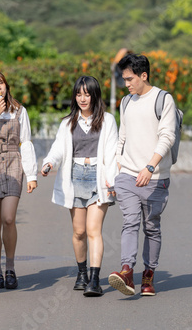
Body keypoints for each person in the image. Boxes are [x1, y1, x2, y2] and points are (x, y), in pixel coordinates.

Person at [41, 76, 118, 297]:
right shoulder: (68, 123)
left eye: (87, 94)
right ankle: (81, 273)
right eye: (79, 94)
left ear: (95, 95)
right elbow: (58, 148)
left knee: (94, 230)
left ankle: (95, 280)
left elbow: (112, 153)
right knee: (79, 231)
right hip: (73, 177)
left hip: (98, 178)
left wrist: (111, 181)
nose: (83, 98)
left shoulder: (108, 120)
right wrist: (48, 162)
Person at [108, 54, 176, 297]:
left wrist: (150, 168)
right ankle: (127, 271)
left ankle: (148, 275)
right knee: (130, 221)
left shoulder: (163, 99)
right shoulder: (126, 102)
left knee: (151, 227)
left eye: (130, 79)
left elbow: (168, 136)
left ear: (143, 75)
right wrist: (116, 169)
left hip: (155, 176)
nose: (126, 84)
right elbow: (122, 138)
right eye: (124, 79)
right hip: (127, 174)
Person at [0, 69, 38, 290]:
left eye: (1, 83)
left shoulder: (19, 111)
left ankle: (10, 268)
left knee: (8, 218)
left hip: (13, 163)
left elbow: (26, 142)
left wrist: (31, 174)